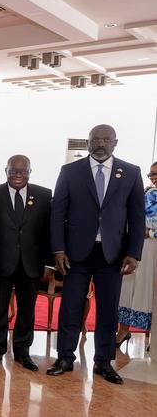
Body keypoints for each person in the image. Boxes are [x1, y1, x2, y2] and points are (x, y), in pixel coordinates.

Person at [48, 124, 145, 384]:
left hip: (112, 255)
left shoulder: (132, 173)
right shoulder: (70, 171)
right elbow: (58, 213)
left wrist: (134, 253)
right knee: (70, 307)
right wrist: (58, 249)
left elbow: (137, 217)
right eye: (95, 139)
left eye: (106, 139)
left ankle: (103, 362)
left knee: (108, 310)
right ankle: (65, 357)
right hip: (76, 253)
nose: (100, 144)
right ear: (88, 143)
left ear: (115, 142)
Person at [0, 155, 52, 371]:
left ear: (30, 172)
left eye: (23, 171)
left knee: (27, 310)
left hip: (31, 263)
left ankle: (22, 351)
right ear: (6, 170)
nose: (18, 175)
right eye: (13, 171)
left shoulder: (43, 195)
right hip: (0, 261)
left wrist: (50, 263)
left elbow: (49, 231)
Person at [116, 161, 157, 346]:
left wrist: (150, 233)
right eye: (151, 174)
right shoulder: (146, 194)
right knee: (128, 287)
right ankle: (123, 331)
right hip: (139, 247)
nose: (153, 177)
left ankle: (153, 338)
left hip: (154, 247)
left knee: (151, 290)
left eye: (156, 173)